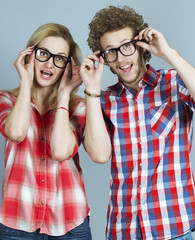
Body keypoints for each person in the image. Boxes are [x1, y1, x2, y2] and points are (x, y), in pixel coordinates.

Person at [80, 5, 195, 240]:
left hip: (174, 228)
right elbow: (100, 155)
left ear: (141, 46)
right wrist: (91, 90)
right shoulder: (104, 101)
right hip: (123, 230)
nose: (121, 58)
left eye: (126, 46)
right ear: (103, 59)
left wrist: (169, 53)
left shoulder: (174, 83)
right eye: (110, 51)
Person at [0, 23, 92, 240]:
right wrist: (25, 81)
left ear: (67, 66)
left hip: (69, 222)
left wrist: (63, 96)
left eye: (59, 58)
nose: (50, 63)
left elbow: (61, 151)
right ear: (30, 54)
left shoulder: (78, 107)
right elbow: (16, 132)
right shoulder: (6, 100)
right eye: (43, 54)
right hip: (17, 222)